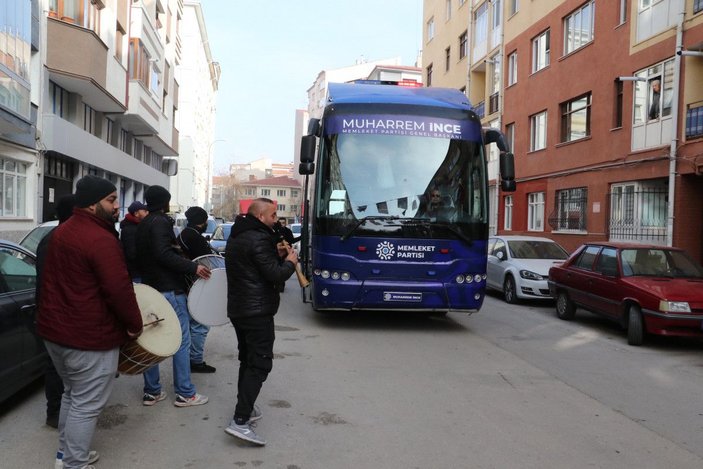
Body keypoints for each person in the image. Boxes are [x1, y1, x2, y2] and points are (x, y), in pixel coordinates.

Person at [36, 175, 143, 469]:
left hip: (56, 334)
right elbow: (119, 289)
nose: (117, 206)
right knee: (86, 405)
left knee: (72, 395)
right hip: (87, 338)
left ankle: (66, 456)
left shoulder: (62, 231)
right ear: (93, 205)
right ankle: (74, 464)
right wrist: (135, 324)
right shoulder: (100, 238)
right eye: (111, 200)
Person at [224, 198, 298, 446]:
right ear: (260, 217)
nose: (276, 220)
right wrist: (290, 262)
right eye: (273, 215)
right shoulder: (259, 238)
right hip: (256, 312)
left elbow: (255, 264)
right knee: (260, 364)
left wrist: (274, 254)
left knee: (248, 360)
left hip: (240, 309)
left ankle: (245, 407)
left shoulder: (239, 235)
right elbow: (275, 274)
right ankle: (240, 421)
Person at [136, 185, 211, 407]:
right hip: (169, 289)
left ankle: (152, 391)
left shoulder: (143, 224)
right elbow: (163, 253)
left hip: (151, 288)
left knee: (152, 340)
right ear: (165, 202)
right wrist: (192, 267)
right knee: (181, 340)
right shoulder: (160, 222)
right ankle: (185, 393)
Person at [36, 194, 75, 429]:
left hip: (46, 312)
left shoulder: (48, 239)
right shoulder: (65, 241)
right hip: (61, 314)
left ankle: (55, 413)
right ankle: (63, 414)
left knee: (54, 366)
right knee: (66, 368)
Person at [177, 205, 217, 373]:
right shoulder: (195, 237)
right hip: (197, 283)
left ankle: (192, 358)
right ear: (202, 222)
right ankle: (196, 361)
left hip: (187, 283)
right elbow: (207, 261)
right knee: (201, 324)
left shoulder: (184, 234)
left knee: (194, 323)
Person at [120, 200, 149, 282]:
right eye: (145, 211)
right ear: (136, 213)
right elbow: (132, 254)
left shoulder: (135, 227)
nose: (147, 213)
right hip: (136, 273)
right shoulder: (130, 229)